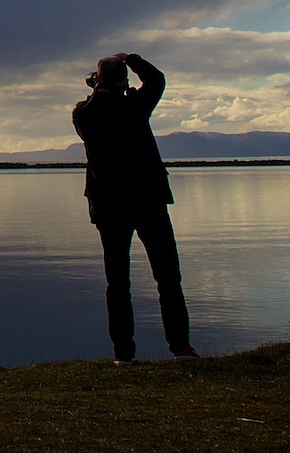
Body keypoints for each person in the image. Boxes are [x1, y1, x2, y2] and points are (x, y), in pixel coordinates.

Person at [72, 51, 197, 364]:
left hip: (108, 204)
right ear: (124, 81)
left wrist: (100, 85)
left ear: (97, 80)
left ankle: (123, 354)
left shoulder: (83, 114)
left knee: (117, 283)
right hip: (148, 200)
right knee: (168, 277)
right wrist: (131, 59)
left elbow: (94, 101)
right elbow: (156, 80)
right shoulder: (135, 106)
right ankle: (180, 348)